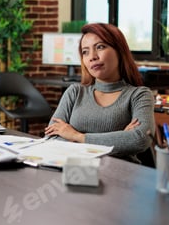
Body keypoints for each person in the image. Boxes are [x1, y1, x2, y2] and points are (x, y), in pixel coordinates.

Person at [44, 23, 154, 163]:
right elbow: (51, 138)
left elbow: (140, 139)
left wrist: (77, 136)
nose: (92, 57)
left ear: (119, 50)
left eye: (100, 47)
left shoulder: (139, 95)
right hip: (76, 171)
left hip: (121, 176)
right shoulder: (75, 92)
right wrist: (119, 141)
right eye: (85, 52)